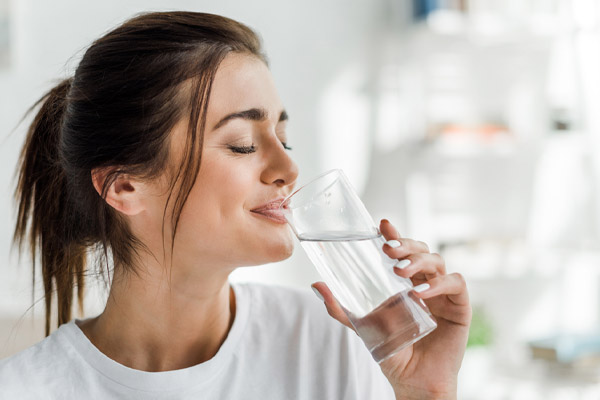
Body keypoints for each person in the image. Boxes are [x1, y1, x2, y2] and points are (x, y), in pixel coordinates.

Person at [0, 11, 471, 399]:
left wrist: (426, 391)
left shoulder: (334, 340)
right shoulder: (27, 389)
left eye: (283, 138)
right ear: (125, 187)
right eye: (244, 144)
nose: (287, 167)